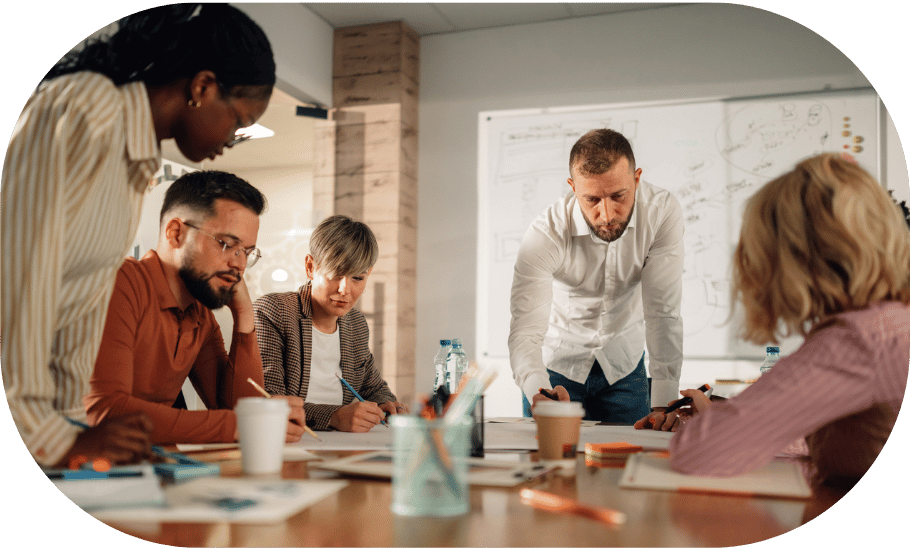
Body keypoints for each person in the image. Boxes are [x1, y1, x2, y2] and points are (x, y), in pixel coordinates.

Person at [1, 3, 276, 466]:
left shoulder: (135, 163)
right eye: (238, 122)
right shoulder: (88, 108)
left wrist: (77, 433)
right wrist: (54, 440)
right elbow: (18, 281)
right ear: (203, 87)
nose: (231, 141)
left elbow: (75, 318)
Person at [647, 153, 910, 490]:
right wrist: (723, 415)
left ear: (794, 259)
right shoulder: (893, 321)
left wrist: (716, 424)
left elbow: (698, 451)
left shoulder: (858, 340)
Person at [84, 170, 305, 444]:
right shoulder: (119, 283)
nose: (239, 264)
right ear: (176, 233)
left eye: (247, 252)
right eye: (227, 244)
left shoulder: (200, 314)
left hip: (149, 461)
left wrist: (245, 316)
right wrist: (244, 424)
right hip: (80, 463)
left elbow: (236, 409)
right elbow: (105, 412)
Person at [508, 128, 684, 423]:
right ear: (572, 187)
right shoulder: (546, 233)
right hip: (556, 368)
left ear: (637, 179)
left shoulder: (661, 212)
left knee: (635, 452)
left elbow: (662, 311)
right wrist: (538, 390)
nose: (607, 214)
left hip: (624, 366)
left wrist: (664, 402)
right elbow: (525, 329)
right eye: (591, 199)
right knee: (550, 453)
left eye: (618, 195)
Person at [253, 215, 408, 432]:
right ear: (310, 267)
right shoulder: (274, 311)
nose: (344, 289)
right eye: (335, 274)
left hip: (341, 442)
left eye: (357, 278)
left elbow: (372, 386)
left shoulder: (355, 323)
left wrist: (386, 404)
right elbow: (268, 398)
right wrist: (333, 416)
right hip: (287, 439)